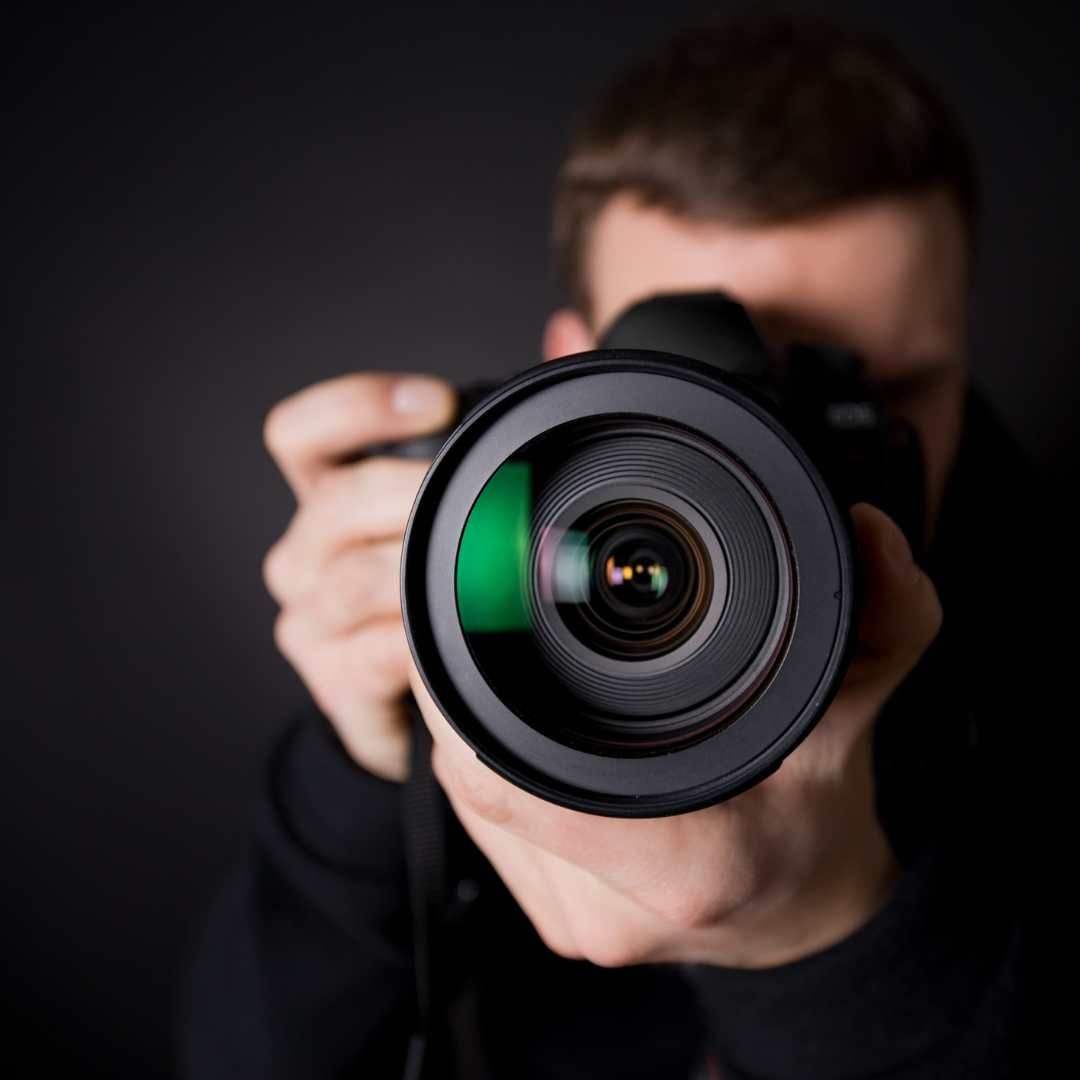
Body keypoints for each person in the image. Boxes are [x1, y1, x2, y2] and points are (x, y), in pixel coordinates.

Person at [180, 13, 1047, 1078]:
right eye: (714, 402)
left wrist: (818, 945)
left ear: (959, 361)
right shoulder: (480, 564)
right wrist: (361, 782)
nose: (781, 470)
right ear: (571, 365)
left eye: (868, 400)